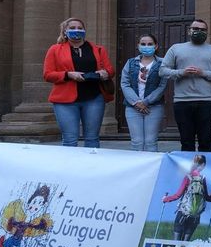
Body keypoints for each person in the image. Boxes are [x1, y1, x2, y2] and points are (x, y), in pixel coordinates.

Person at [43, 17, 115, 148]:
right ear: (65, 31)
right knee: (70, 139)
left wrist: (105, 73)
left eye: (80, 28)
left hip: (94, 97)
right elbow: (48, 74)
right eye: (72, 28)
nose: (77, 30)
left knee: (92, 139)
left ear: (85, 30)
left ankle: (91, 168)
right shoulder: (55, 49)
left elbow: (110, 69)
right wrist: (68, 74)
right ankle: (70, 168)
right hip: (65, 101)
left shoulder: (98, 49)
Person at [160, 19, 211, 152]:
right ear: (189, 31)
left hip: (207, 101)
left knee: (206, 140)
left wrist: (204, 73)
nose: (199, 32)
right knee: (186, 141)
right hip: (182, 101)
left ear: (207, 32)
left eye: (203, 30)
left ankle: (205, 171)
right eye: (195, 29)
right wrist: (181, 72)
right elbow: (162, 70)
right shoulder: (176, 48)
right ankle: (188, 171)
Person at [120, 34, 168, 152]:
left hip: (154, 107)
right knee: (136, 142)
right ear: (138, 46)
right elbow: (125, 84)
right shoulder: (130, 63)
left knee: (151, 141)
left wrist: (146, 102)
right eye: (143, 44)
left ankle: (152, 170)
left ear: (156, 46)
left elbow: (162, 86)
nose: (146, 46)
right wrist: (136, 102)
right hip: (132, 107)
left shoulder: (163, 63)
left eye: (150, 44)